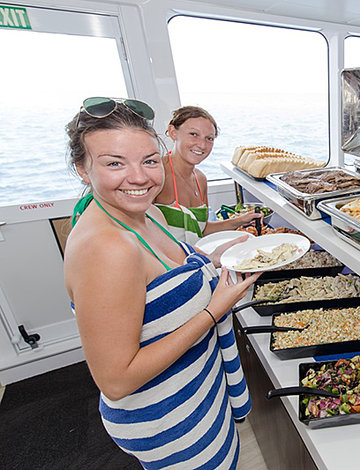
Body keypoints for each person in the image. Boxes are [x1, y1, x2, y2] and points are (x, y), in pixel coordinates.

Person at [63, 97, 260, 469]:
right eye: (115, 163)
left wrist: (217, 257)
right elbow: (116, 381)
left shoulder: (146, 212)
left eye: (149, 161)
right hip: (168, 418)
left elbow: (173, 268)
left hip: (197, 391)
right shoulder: (106, 249)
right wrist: (214, 310)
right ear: (83, 169)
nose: (139, 178)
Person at [154, 105, 262, 243]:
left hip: (195, 254)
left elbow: (202, 230)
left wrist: (240, 221)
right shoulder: (157, 174)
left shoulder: (200, 179)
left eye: (209, 138)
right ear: (173, 132)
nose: (202, 145)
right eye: (194, 134)